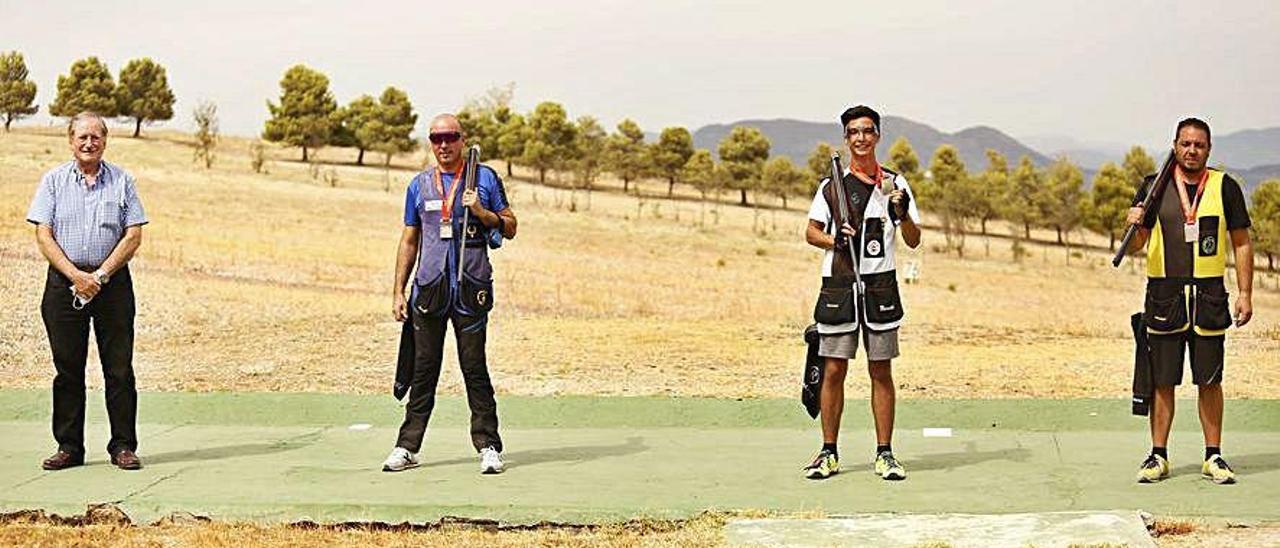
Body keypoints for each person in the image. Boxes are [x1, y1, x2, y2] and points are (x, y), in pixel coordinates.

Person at [383, 114, 518, 474]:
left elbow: (510, 225)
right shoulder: (419, 185)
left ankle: (489, 446)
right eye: (436, 138)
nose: (444, 144)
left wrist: (481, 212)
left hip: (470, 288)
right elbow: (409, 239)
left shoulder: (484, 178)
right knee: (423, 370)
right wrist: (398, 291)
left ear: (462, 139)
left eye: (450, 137)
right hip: (428, 291)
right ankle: (406, 447)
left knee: (475, 369)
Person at [1124, 117, 1253, 485]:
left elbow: (1242, 242)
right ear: (1175, 145)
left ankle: (1213, 456)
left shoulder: (1225, 186)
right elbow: (1136, 245)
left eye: (1199, 145)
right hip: (1164, 295)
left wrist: (1245, 293)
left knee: (1209, 380)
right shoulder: (1153, 186)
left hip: (1209, 296)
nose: (1191, 150)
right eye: (1185, 144)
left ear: (1208, 149)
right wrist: (1132, 221)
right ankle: (1158, 456)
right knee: (1162, 381)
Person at [803, 105, 921, 480]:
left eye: (868, 131)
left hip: (880, 288)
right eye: (854, 131)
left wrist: (902, 215)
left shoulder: (896, 184)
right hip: (839, 287)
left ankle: (885, 453)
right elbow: (811, 232)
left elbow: (914, 241)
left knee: (880, 370)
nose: (861, 138)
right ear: (846, 137)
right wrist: (835, 240)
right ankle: (828, 453)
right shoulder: (830, 186)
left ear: (878, 136)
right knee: (834, 369)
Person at [26, 112, 148, 471]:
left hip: (113, 288)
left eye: (95, 137)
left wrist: (101, 275)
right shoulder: (52, 182)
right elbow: (43, 234)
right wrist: (77, 276)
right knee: (68, 370)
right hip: (64, 287)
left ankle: (123, 446)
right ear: (71, 141)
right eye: (82, 137)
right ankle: (69, 447)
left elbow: (134, 234)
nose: (88, 143)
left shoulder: (123, 181)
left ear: (105, 141)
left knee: (119, 370)